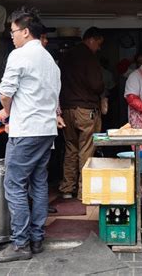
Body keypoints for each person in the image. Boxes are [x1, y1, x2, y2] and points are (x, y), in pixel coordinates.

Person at [0, 8, 61, 262]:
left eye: (13, 32)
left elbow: (6, 91)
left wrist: (6, 112)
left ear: (25, 31)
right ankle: (36, 238)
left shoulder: (19, 55)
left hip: (27, 130)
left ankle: (20, 245)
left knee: (15, 185)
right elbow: (53, 98)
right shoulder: (50, 61)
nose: (12, 37)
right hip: (46, 131)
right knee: (39, 183)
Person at [59, 27, 105, 200]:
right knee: (86, 148)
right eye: (98, 44)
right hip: (85, 110)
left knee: (71, 148)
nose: (98, 48)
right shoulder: (89, 57)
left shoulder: (66, 56)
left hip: (66, 109)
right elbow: (96, 85)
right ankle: (83, 190)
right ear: (91, 39)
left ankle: (67, 189)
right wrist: (101, 89)